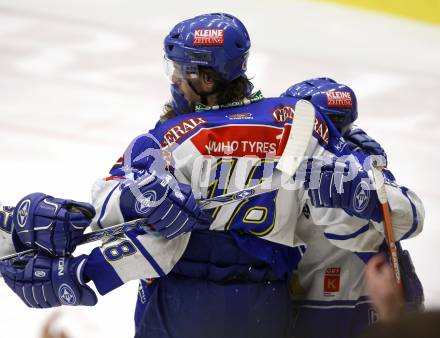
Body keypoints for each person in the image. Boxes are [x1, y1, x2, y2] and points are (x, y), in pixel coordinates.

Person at [0, 13, 424, 338]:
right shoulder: (296, 122)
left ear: (203, 77)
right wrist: (369, 189)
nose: (174, 79)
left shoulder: (174, 137)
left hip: (180, 306)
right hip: (264, 306)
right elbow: (402, 218)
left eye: (180, 70)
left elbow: (139, 226)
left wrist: (80, 270)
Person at [281, 78, 424, 338]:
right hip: (330, 300)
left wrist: (367, 195)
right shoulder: (352, 161)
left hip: (339, 306)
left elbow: (411, 217)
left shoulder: (358, 166)